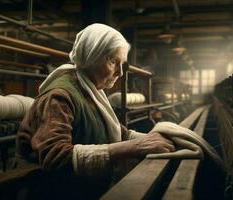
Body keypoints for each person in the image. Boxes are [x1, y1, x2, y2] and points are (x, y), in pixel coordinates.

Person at [15, 23, 175, 200]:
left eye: (122, 64)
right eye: (113, 62)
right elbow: (56, 158)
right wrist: (136, 147)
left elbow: (120, 133)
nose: (120, 72)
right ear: (91, 57)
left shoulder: (92, 91)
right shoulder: (59, 97)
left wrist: (156, 138)